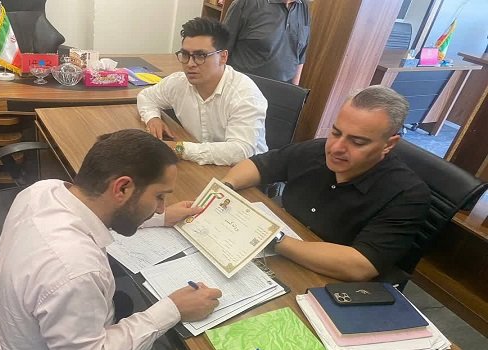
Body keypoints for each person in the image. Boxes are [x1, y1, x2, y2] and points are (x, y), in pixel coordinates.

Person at [0, 129, 223, 350]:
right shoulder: (75, 270)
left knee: (122, 300)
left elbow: (97, 211)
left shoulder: (43, 190)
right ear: (122, 188)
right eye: (159, 196)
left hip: (17, 348)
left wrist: (159, 218)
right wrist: (174, 309)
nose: (161, 207)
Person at [222, 86, 430, 283]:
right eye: (336, 132)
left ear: (389, 144)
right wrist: (224, 189)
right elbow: (259, 165)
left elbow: (361, 265)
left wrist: (271, 238)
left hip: (328, 278)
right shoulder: (316, 150)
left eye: (357, 142)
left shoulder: (407, 194)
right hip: (285, 253)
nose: (336, 148)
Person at [137, 17, 268, 166]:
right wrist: (152, 118)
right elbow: (146, 97)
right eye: (185, 55)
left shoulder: (244, 94)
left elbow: (241, 151)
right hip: (200, 164)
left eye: (200, 56)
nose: (190, 64)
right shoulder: (179, 82)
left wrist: (180, 149)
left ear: (223, 57)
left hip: (246, 171)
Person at [223, 0, 311, 85]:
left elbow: (300, 56)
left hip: (281, 91)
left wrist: (294, 90)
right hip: (242, 88)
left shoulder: (303, 6)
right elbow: (221, 50)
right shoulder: (246, 3)